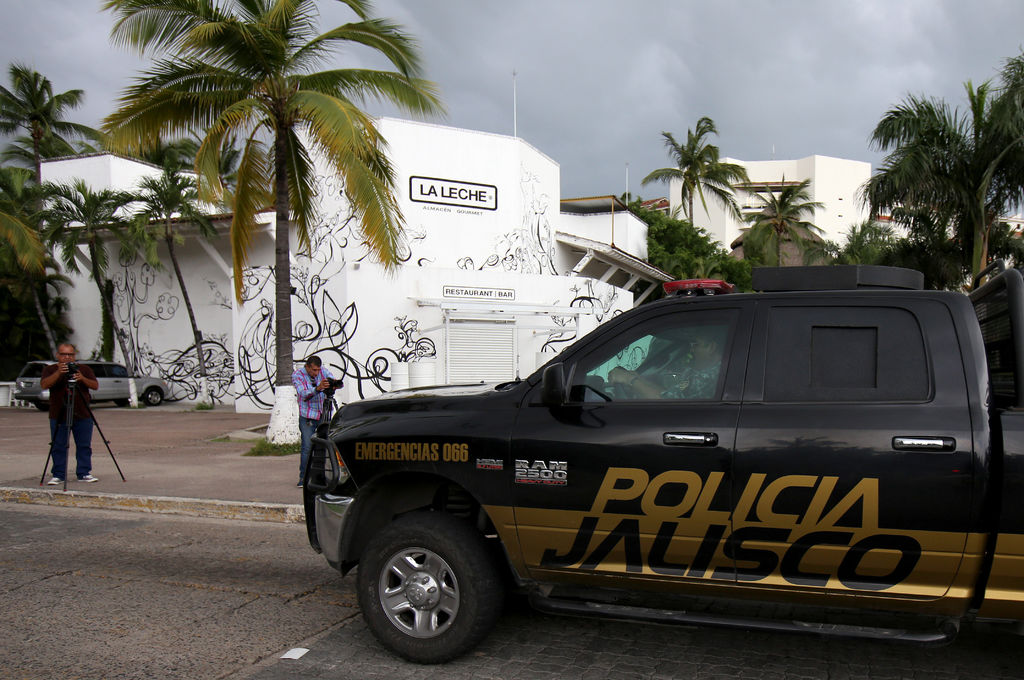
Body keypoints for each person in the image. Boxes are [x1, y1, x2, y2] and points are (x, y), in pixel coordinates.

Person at [40, 343, 100, 484]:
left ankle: (84, 473)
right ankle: (58, 474)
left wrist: (82, 378)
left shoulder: (84, 369)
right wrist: (58, 373)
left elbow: (95, 385)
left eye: (70, 355)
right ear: (57, 355)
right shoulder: (50, 369)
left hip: (82, 414)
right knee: (58, 445)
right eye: (63, 354)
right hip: (58, 414)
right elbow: (44, 385)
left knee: (84, 445)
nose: (67, 357)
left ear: (74, 356)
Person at [608, 333, 724, 400]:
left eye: (696, 345)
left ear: (712, 347)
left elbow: (666, 400)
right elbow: (670, 394)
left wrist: (628, 379)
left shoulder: (712, 379)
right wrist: (639, 379)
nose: (691, 350)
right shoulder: (712, 375)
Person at [292, 355, 338, 486]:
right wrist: (318, 388)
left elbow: (332, 379)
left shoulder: (323, 371)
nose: (316, 373)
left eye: (318, 370)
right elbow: (303, 393)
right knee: (307, 447)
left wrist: (334, 384)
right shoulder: (298, 375)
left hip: (322, 414)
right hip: (308, 416)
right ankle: (304, 478)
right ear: (307, 367)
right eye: (314, 370)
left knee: (325, 446)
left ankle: (322, 476)